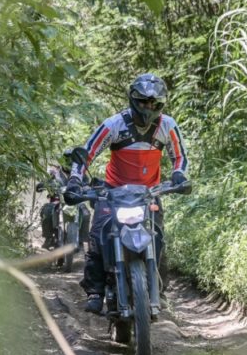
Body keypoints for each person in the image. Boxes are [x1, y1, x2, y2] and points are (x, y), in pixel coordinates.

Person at [64, 73, 191, 313]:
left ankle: (158, 289)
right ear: (133, 99)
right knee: (98, 235)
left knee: (157, 235)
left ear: (161, 104)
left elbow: (180, 156)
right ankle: (95, 291)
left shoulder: (167, 125)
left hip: (149, 193)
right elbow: (87, 153)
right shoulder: (114, 124)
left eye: (154, 103)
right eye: (143, 101)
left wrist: (179, 175)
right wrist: (74, 181)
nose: (148, 107)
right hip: (112, 192)